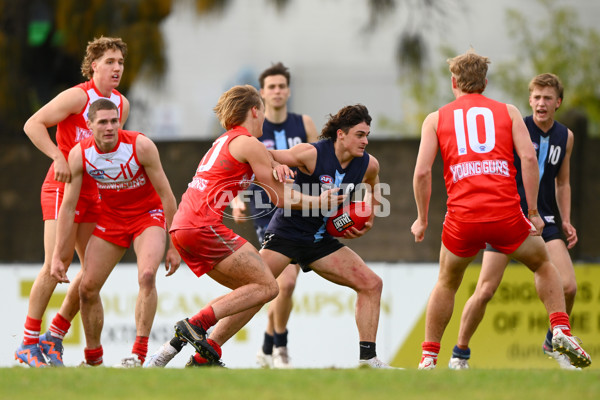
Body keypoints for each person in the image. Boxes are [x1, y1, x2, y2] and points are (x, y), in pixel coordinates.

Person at [147, 103, 392, 369]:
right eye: (359, 134)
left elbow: (374, 186)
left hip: (320, 240)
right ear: (341, 135)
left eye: (367, 134)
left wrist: (369, 216)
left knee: (372, 284)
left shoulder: (369, 164)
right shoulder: (311, 153)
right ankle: (203, 353)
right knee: (256, 290)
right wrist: (277, 164)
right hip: (286, 234)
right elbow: (266, 153)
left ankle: (368, 359)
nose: (365, 141)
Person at [411, 50, 591, 370]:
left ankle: (429, 357)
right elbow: (529, 159)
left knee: (447, 282)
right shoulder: (507, 112)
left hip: (461, 218)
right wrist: (533, 211)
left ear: (453, 82)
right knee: (544, 265)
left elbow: (423, 172)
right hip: (506, 216)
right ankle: (560, 328)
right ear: (485, 83)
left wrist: (422, 219)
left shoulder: (436, 118)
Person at [447, 73, 581, 370]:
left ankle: (553, 340)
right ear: (529, 100)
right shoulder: (514, 125)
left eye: (547, 98)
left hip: (544, 219)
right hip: (509, 216)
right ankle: (460, 353)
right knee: (485, 291)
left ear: (558, 102)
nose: (541, 103)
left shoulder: (566, 136)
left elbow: (563, 183)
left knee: (569, 286)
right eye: (536, 97)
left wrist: (567, 220)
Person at [16, 37, 130, 368]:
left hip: (96, 193)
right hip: (61, 187)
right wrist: (58, 156)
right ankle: (27, 343)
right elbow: (32, 124)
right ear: (93, 65)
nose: (117, 68)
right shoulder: (78, 96)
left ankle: (54, 336)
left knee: (92, 273)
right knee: (56, 263)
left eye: (120, 62)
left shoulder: (121, 105)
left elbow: (115, 150)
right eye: (110, 61)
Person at [50, 98, 181, 367]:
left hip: (148, 216)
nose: (110, 127)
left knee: (146, 276)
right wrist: (56, 256)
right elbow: (68, 206)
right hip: (111, 219)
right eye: (103, 122)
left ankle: (138, 353)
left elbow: (167, 197)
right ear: (90, 125)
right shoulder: (79, 154)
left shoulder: (140, 145)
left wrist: (175, 245)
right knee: (86, 288)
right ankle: (94, 359)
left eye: (114, 121)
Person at [232, 62, 318, 369]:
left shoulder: (303, 124)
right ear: (262, 93)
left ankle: (268, 347)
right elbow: (236, 165)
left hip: (299, 209)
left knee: (279, 283)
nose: (278, 91)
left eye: (282, 86)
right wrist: (235, 201)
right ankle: (279, 345)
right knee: (287, 282)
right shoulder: (254, 127)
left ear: (289, 90)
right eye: (272, 87)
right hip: (266, 209)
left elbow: (317, 165)